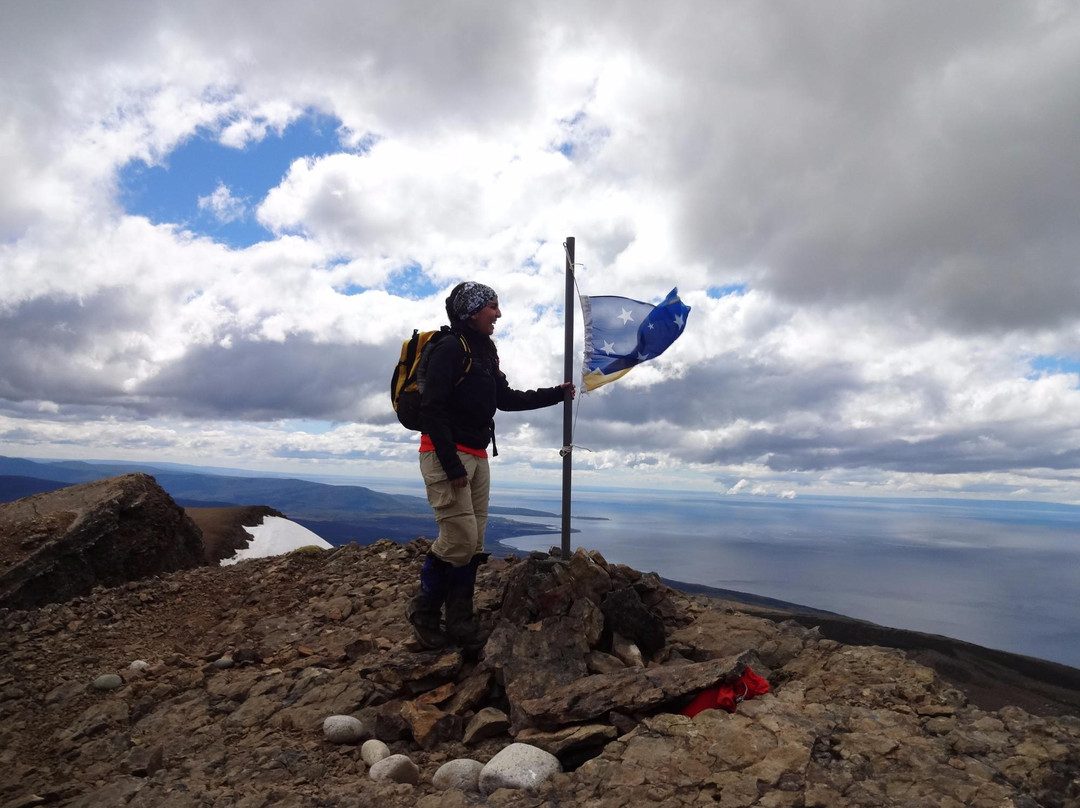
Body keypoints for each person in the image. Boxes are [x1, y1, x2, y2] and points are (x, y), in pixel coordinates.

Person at [407, 281, 573, 649]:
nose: (498, 314)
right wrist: (451, 466)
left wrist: (555, 395)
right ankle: (423, 612)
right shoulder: (450, 348)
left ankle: (461, 622)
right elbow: (432, 408)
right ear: (471, 310)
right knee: (459, 538)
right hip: (446, 454)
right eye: (493, 307)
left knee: (474, 541)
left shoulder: (484, 350)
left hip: (478, 456)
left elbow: (505, 399)